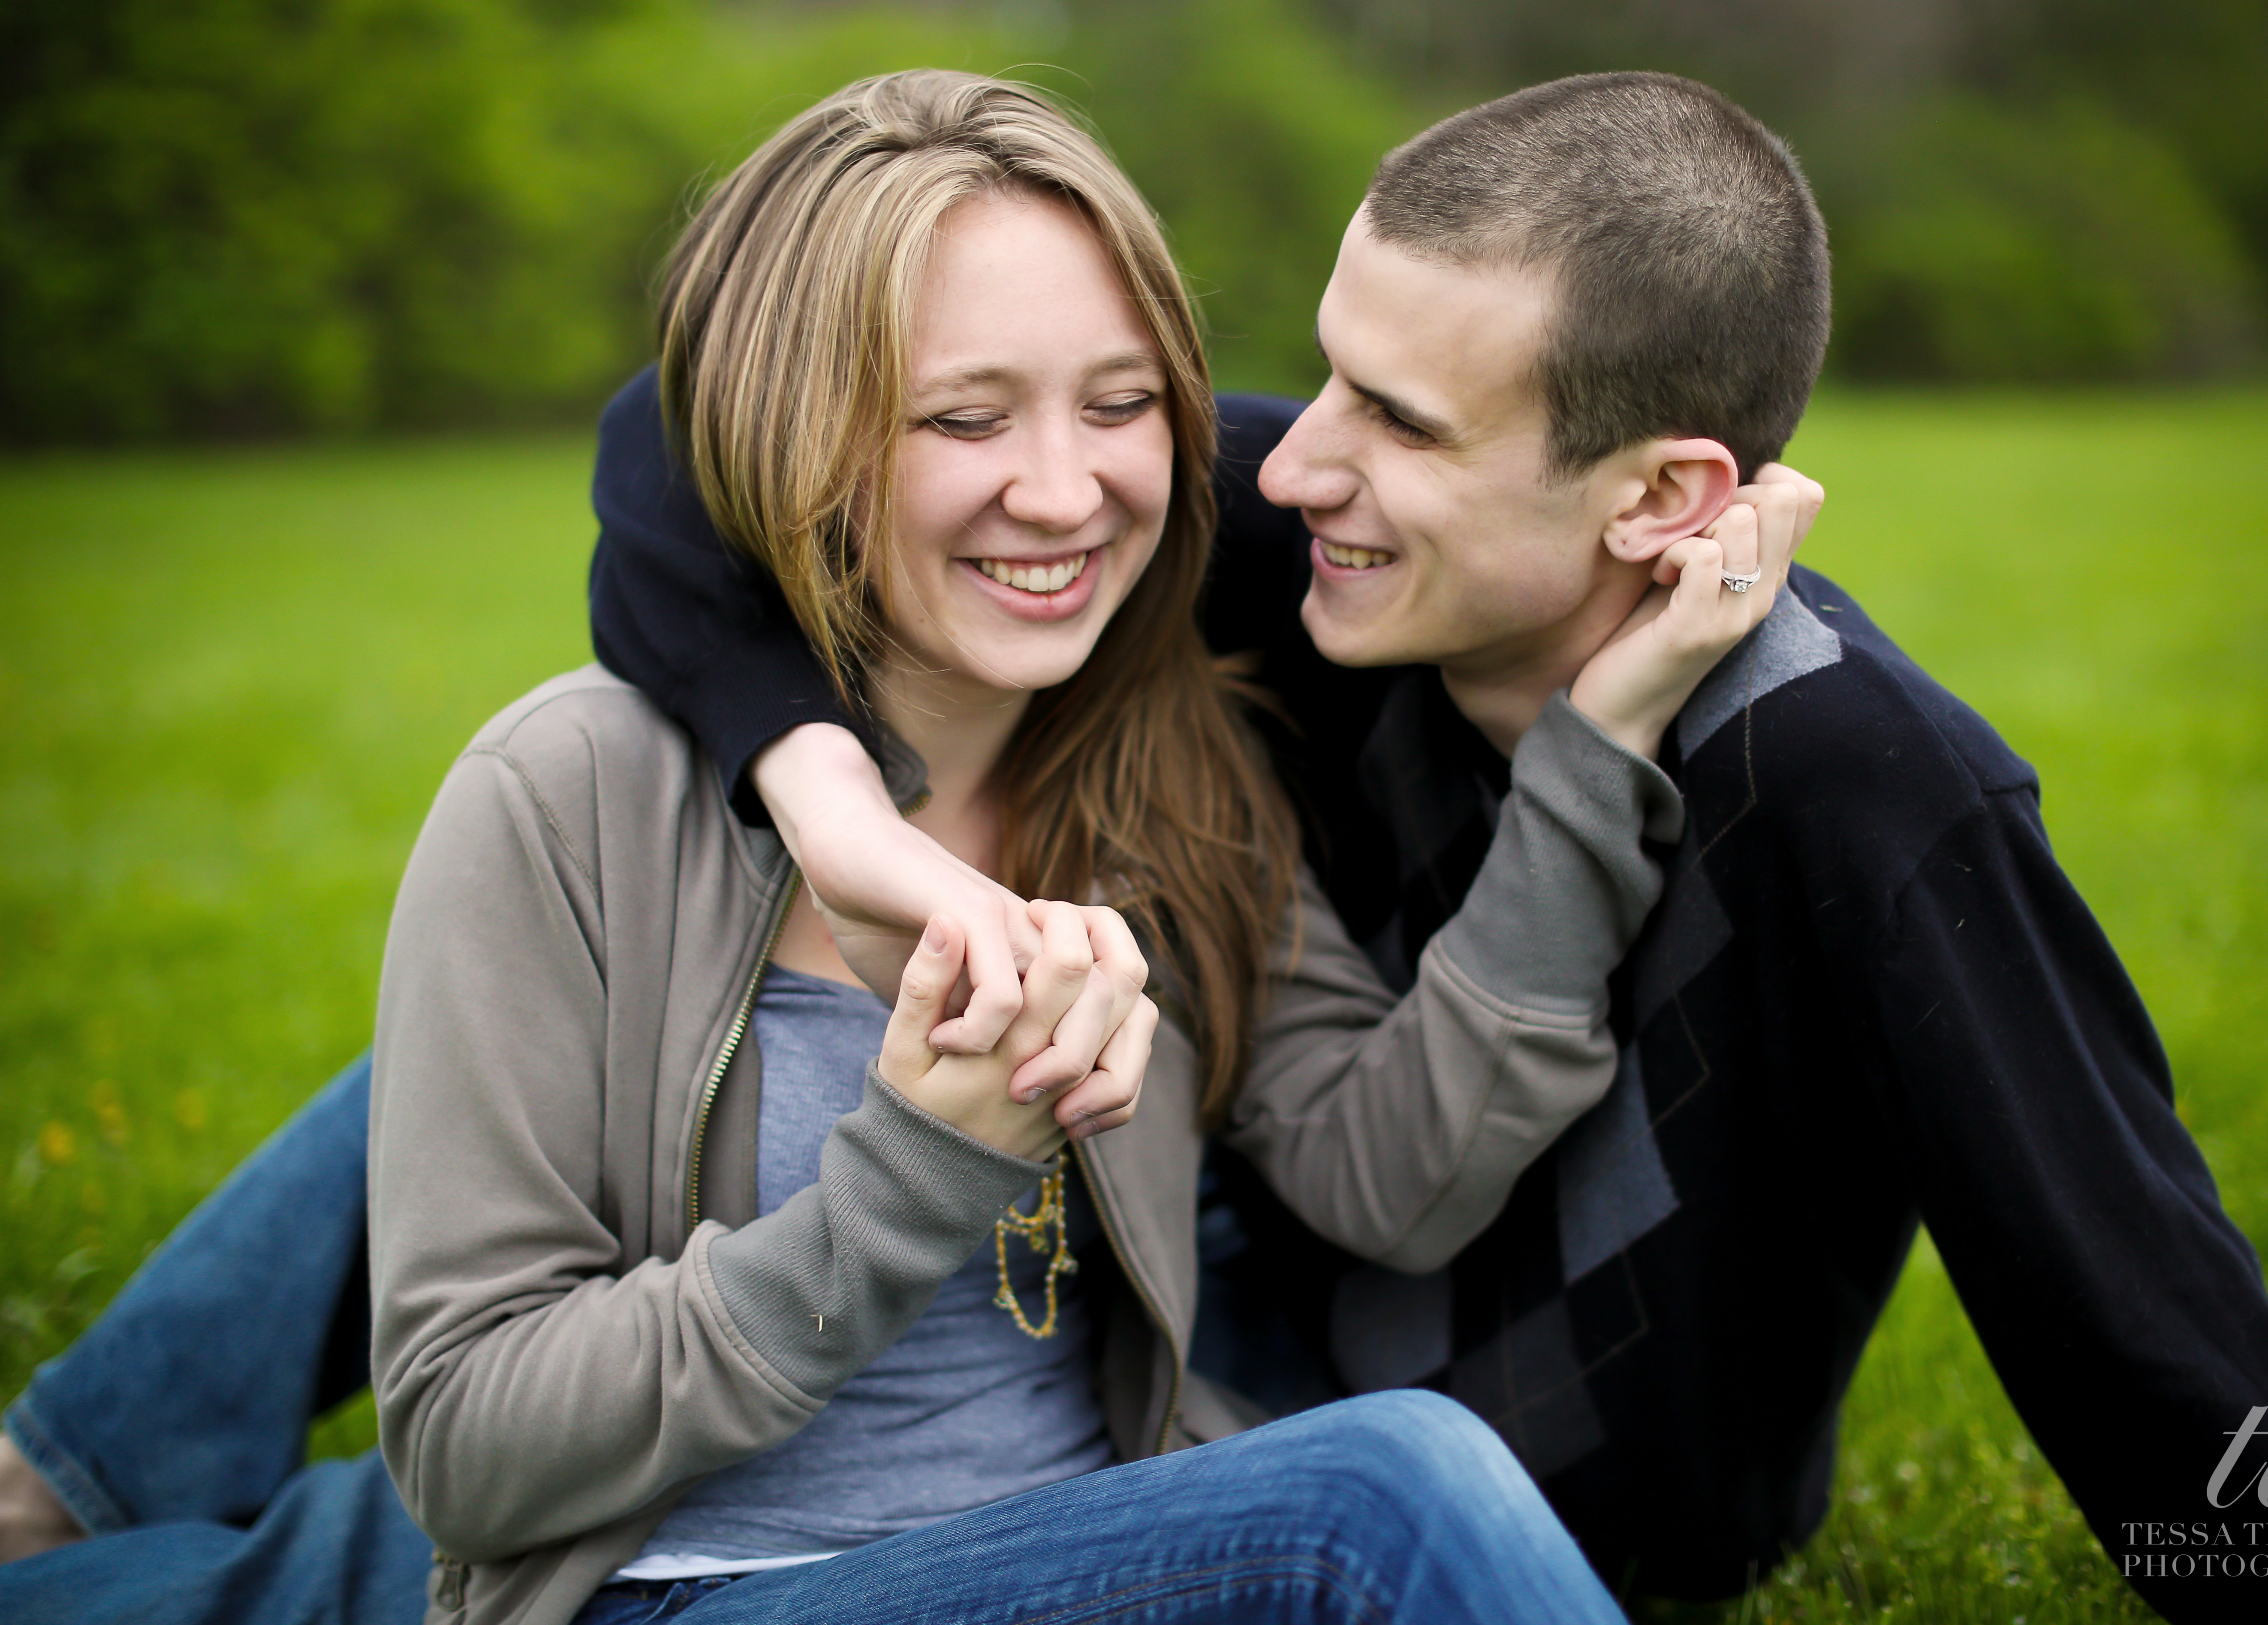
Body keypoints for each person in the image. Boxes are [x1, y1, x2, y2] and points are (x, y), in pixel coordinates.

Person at [581, 72, 2268, 1624]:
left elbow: (2124, 1296)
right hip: (1234, 1313)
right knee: (634, 960)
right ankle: (306, 1474)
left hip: (1530, 1473)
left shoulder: (1851, 775)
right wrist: (826, 804)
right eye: (1329, 381)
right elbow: (690, 425)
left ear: (1664, 499)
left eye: (1396, 419)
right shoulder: (1323, 552)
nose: (1294, 468)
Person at [2, 68, 1801, 1625]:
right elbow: (472, 1455)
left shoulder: (1169, 778)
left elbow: (1384, 1176)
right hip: (682, 1595)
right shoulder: (568, 799)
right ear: (803, 433)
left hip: (1089, 1557)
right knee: (1388, 1495)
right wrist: (908, 1180)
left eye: (1118, 407)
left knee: (1380, 1484)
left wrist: (1595, 752)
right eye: (963, 418)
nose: (1060, 489)